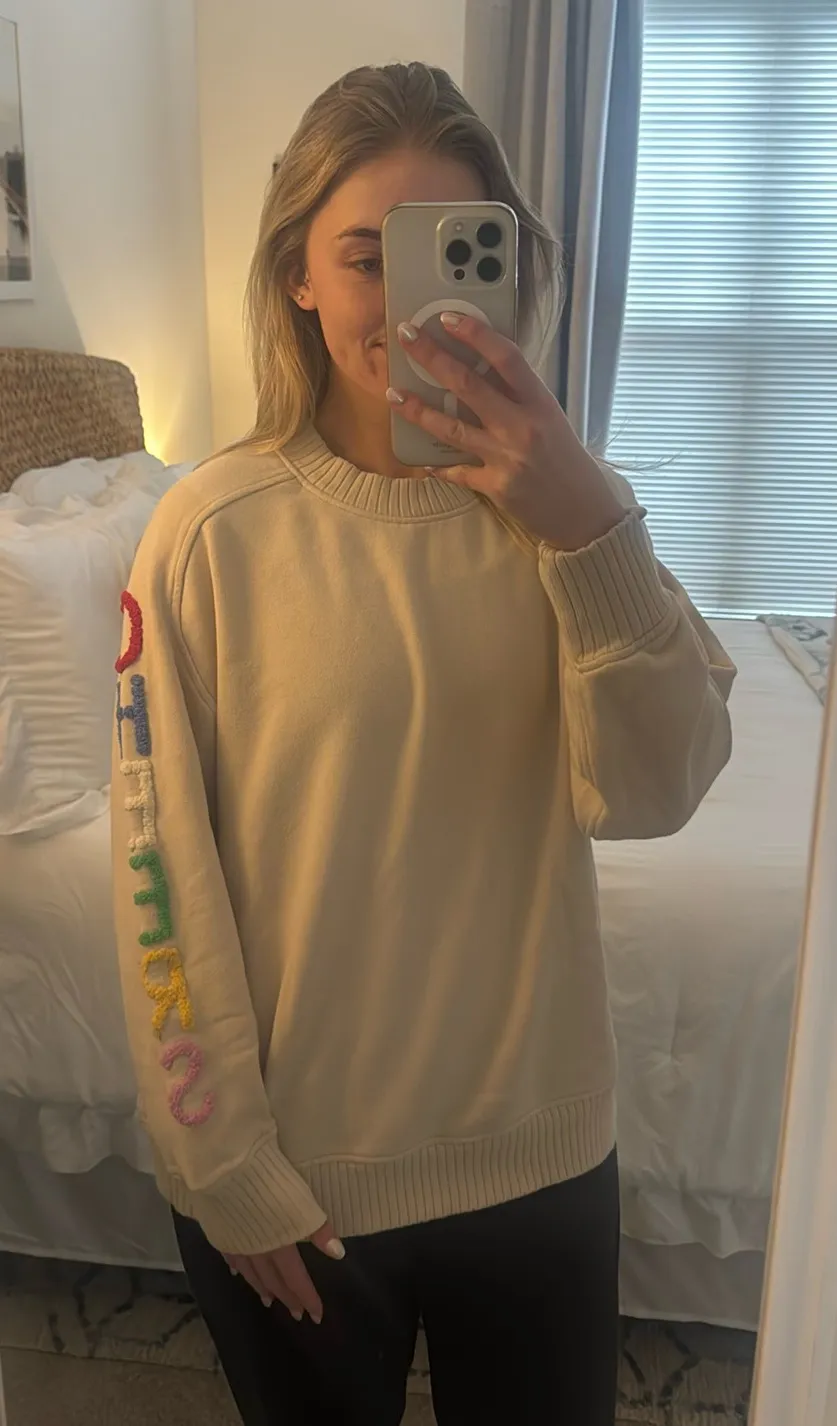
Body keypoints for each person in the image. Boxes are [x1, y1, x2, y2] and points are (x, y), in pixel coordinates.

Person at [111, 61, 735, 1426]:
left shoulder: (568, 511)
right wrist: (222, 1162)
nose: (411, 305)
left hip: (542, 1161)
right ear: (296, 274)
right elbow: (158, 869)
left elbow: (658, 789)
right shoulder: (208, 533)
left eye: (453, 252)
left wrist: (585, 523)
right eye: (367, 257)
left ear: (509, 265)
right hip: (303, 1176)